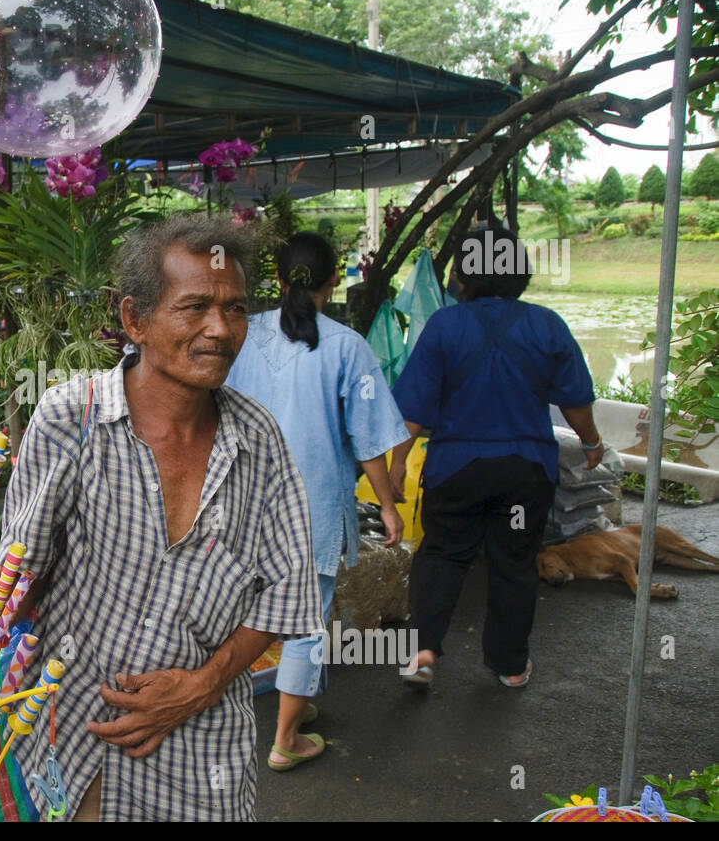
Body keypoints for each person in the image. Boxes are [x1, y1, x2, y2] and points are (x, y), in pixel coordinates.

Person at [0, 214, 322, 822]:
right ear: (134, 320)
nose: (219, 330)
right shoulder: (73, 418)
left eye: (237, 309)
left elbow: (286, 592)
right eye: (194, 307)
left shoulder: (260, 441)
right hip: (73, 745)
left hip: (200, 763)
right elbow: (19, 576)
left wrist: (204, 683)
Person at [225, 232, 410, 771]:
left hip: (241, 499)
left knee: (238, 607)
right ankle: (285, 739)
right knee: (307, 620)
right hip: (314, 504)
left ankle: (269, 707)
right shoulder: (347, 346)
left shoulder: (241, 335)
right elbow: (371, 438)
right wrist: (390, 506)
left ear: (278, 280)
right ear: (336, 280)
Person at [390, 223, 601, 689]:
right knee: (514, 561)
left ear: (463, 277)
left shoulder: (444, 325)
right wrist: (591, 444)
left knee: (442, 555)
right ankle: (509, 666)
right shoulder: (546, 324)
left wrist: (398, 464)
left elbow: (412, 408)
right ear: (518, 271)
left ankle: (422, 654)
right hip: (524, 473)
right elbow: (576, 402)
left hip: (456, 470)